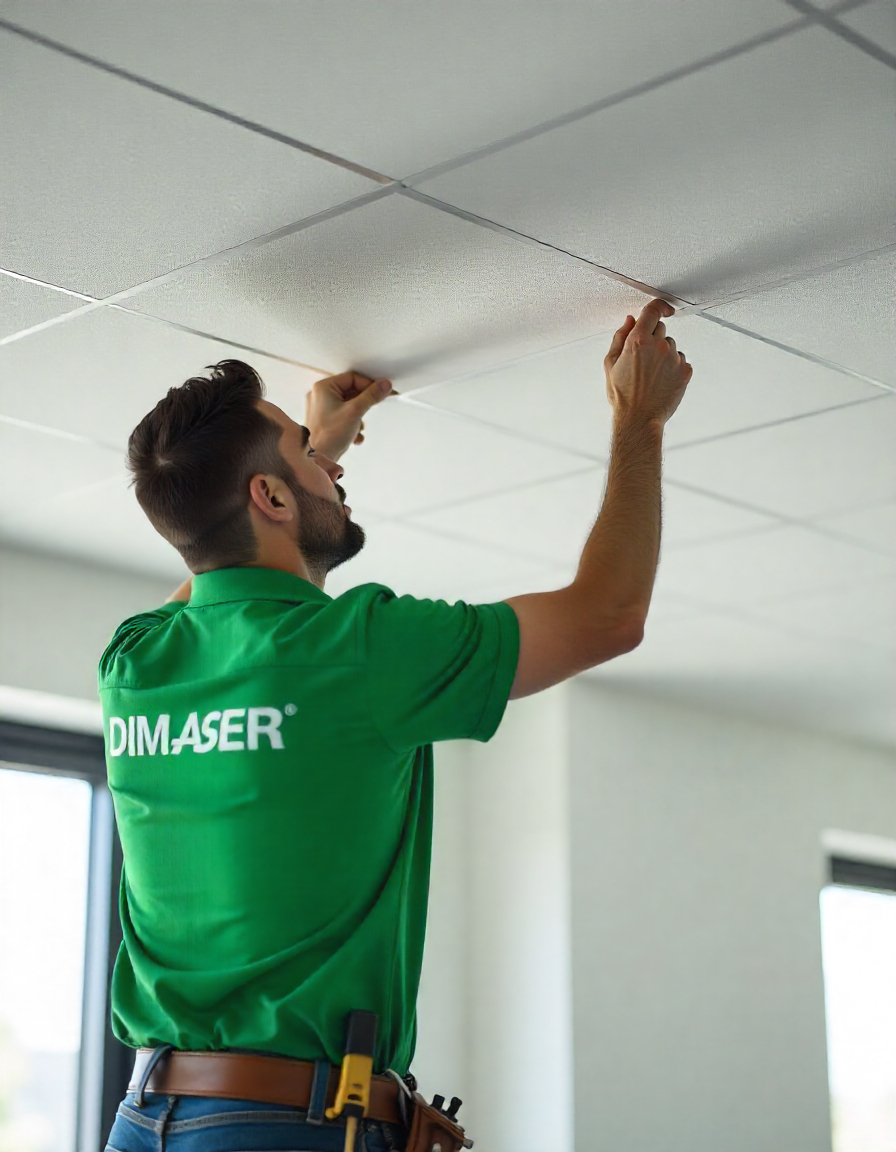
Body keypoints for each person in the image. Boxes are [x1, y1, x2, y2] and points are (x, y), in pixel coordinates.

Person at [98, 298, 691, 1152]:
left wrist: (307, 459)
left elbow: (214, 562)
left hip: (151, 1116)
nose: (328, 469)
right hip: (283, 1128)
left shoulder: (134, 665)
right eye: (304, 458)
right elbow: (610, 615)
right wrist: (641, 421)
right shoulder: (361, 647)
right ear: (266, 494)